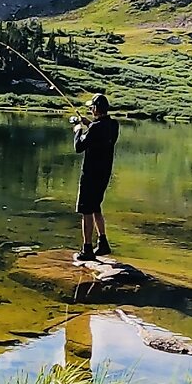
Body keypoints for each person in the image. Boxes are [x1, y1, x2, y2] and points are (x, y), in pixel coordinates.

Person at [72, 94, 120, 262]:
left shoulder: (95, 128)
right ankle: (103, 242)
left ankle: (87, 249)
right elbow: (100, 130)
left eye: (91, 107)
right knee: (96, 206)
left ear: (94, 109)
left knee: (86, 210)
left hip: (91, 175)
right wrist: (89, 124)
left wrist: (78, 130)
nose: (90, 110)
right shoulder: (114, 125)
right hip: (104, 175)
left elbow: (79, 147)